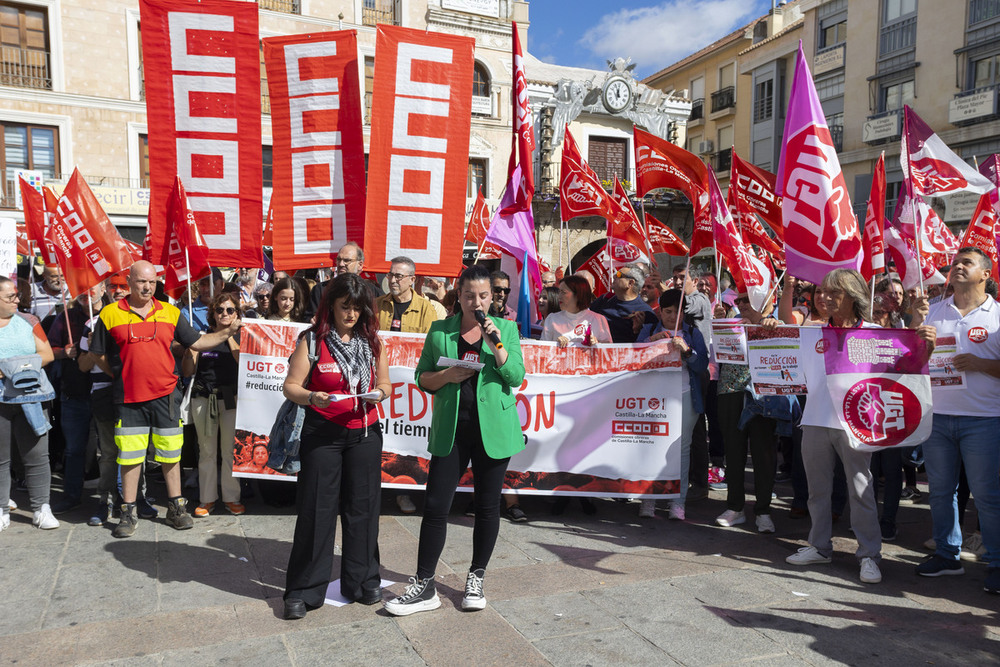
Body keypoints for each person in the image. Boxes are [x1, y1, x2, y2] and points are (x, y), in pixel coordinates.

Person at [385, 265, 525, 616]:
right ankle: (424, 584)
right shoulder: (440, 331)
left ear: (492, 297)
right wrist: (448, 374)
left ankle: (476, 578)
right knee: (435, 505)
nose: (475, 302)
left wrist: (496, 344)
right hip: (453, 430)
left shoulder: (506, 329)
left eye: (482, 296)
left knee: (487, 506)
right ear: (457, 296)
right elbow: (422, 379)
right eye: (468, 295)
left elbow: (515, 377)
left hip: (493, 432)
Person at [87, 261, 242, 538]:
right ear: (130, 281)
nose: (147, 287)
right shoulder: (110, 314)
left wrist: (227, 333)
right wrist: (121, 375)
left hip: (166, 397)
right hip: (129, 399)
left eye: (152, 282)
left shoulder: (170, 312)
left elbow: (197, 342)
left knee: (171, 454)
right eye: (141, 282)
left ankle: (176, 508)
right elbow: (97, 354)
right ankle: (128, 512)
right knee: (130, 457)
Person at [783, 269, 914, 585]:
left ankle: (869, 555)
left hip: (855, 423)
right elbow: (784, 327)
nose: (825, 298)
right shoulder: (812, 331)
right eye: (823, 292)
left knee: (861, 488)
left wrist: (923, 338)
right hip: (815, 419)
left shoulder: (874, 333)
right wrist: (775, 319)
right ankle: (819, 545)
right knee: (818, 490)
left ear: (853, 296)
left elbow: (906, 368)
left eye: (834, 293)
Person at [281, 273, 392, 619]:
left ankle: (363, 579)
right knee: (317, 512)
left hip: (364, 434)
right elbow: (290, 387)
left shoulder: (372, 342)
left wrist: (380, 393)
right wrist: (313, 396)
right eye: (345, 307)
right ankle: (304, 589)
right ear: (331, 305)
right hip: (323, 436)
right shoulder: (312, 340)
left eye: (357, 309)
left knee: (364, 510)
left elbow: (386, 383)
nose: (351, 315)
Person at [911, 247, 1000, 593]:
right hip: (939, 416)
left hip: (984, 419)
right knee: (940, 492)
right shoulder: (933, 312)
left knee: (987, 495)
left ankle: (996, 560)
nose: (957, 267)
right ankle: (947, 555)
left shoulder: (997, 316)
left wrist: (979, 364)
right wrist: (923, 343)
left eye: (967, 263)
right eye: (956, 263)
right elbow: (912, 364)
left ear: (985, 275)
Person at [375, 256, 440, 515]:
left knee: (404, 436)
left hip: (410, 386)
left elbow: (430, 346)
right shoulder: (377, 305)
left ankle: (403, 490)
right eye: (390, 275)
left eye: (399, 276)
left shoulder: (427, 309)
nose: (392, 280)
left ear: (413, 279)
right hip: (381, 380)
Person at [636, 289, 708, 520]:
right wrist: (651, 342)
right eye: (667, 312)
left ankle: (678, 501)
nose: (672, 317)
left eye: (677, 312)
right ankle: (649, 501)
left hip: (685, 394)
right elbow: (632, 359)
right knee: (651, 447)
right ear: (659, 311)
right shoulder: (649, 330)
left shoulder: (693, 333)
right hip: (654, 397)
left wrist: (687, 351)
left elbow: (702, 366)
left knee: (681, 449)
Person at [714, 293, 782, 534]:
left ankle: (763, 510)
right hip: (731, 392)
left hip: (764, 395)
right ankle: (735, 507)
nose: (741, 305)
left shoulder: (777, 325)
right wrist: (719, 325)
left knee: (765, 455)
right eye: (738, 301)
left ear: (766, 301)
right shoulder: (729, 325)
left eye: (746, 300)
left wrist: (771, 325)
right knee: (733, 452)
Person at [0, 276, 57, 532]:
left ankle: (41, 508)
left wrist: (12, 367)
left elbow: (47, 354)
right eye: (10, 297)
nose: (17, 300)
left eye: (16, 296)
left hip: (32, 396)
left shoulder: (28, 321)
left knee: (36, 456)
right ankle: (2, 508)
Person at [48, 282, 108, 513]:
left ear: (104, 290)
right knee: (73, 450)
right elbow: (48, 350)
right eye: (82, 289)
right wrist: (64, 352)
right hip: (74, 394)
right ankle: (72, 495)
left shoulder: (114, 313)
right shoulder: (66, 316)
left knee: (111, 449)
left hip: (106, 392)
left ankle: (114, 497)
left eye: (93, 288)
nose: (87, 293)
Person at [182, 293, 243, 517]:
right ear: (212, 314)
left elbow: (243, 363)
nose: (224, 314)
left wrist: (228, 335)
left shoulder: (241, 338)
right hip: (204, 398)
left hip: (229, 397)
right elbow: (188, 372)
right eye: (220, 310)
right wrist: (189, 354)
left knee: (229, 450)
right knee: (206, 451)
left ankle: (231, 497)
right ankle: (207, 499)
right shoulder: (202, 337)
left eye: (230, 310)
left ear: (237, 313)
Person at [305, 242, 383, 320]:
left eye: (347, 260)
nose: (341, 264)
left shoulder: (373, 292)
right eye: (339, 259)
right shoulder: (320, 289)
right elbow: (308, 320)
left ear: (360, 264)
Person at [589, 263, 657, 343]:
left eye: (618, 274)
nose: (614, 276)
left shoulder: (645, 312)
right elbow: (585, 318)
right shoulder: (604, 299)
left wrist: (638, 331)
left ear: (630, 283)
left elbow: (650, 344)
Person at [541, 275, 611, 347]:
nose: (559, 296)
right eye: (559, 292)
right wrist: (555, 343)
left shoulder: (599, 320)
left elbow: (610, 352)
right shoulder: (552, 319)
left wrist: (597, 344)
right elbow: (542, 350)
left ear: (578, 294)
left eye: (563, 292)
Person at [180, 268, 225, 332]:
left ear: (222, 285)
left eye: (212, 284)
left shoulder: (230, 309)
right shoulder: (187, 313)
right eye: (203, 284)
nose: (206, 289)